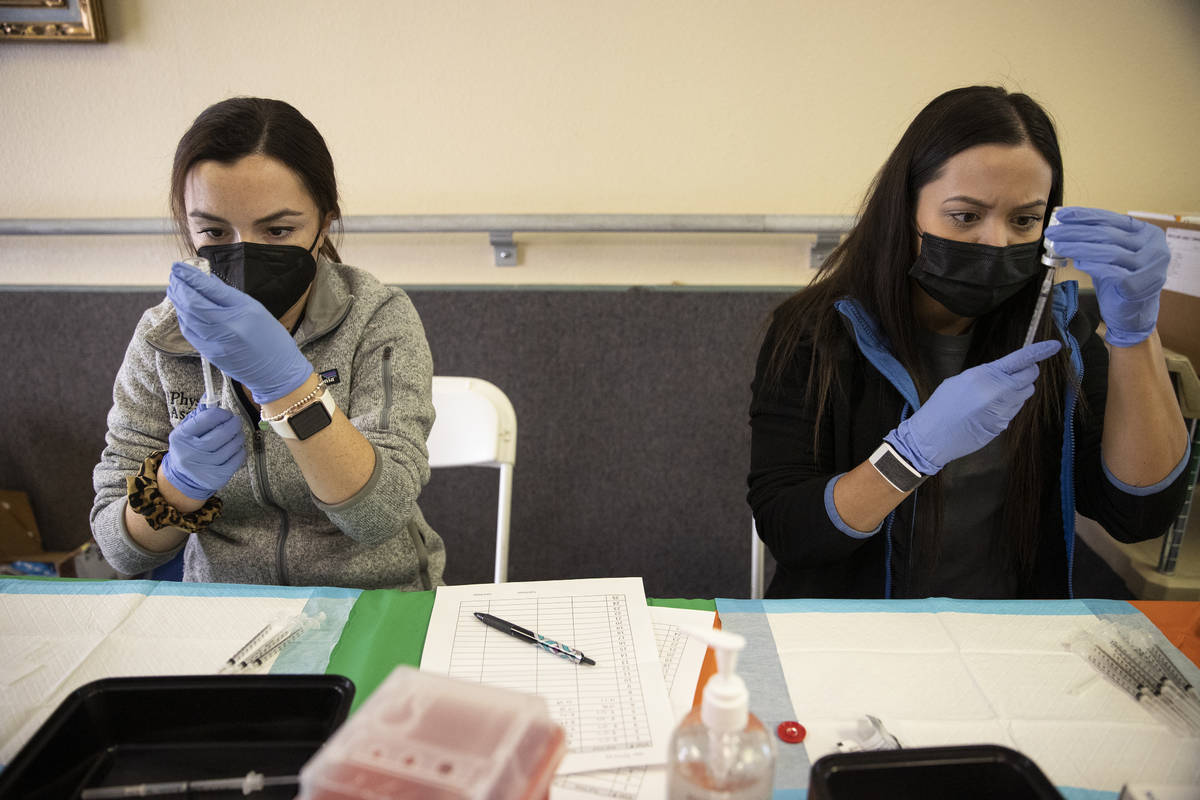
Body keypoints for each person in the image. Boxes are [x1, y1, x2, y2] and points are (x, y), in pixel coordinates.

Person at [748, 86, 1189, 599]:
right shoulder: (816, 333)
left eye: (1024, 220)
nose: (997, 242)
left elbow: (1139, 514)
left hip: (1003, 633)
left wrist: (1136, 333)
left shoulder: (1057, 335)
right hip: (854, 633)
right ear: (905, 208)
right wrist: (911, 453)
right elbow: (790, 532)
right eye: (965, 216)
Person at [91, 97, 445, 590]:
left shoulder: (375, 316)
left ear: (323, 223)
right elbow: (119, 549)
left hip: (373, 597)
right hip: (225, 609)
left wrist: (289, 389)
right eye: (214, 230)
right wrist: (176, 486)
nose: (244, 254)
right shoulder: (163, 339)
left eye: (278, 230)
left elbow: (379, 517)